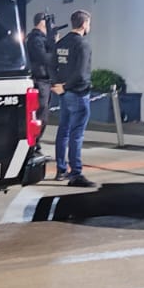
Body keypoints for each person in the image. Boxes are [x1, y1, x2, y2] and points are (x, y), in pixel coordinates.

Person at [51, 10, 95, 188]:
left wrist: (57, 85)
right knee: (76, 134)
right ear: (84, 24)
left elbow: (51, 66)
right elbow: (81, 73)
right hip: (77, 93)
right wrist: (66, 86)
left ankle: (61, 169)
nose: (89, 26)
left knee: (63, 131)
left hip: (64, 93)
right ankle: (75, 172)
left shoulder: (61, 43)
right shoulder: (83, 44)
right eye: (89, 23)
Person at [25, 12, 57, 153]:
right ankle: (33, 144)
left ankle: (35, 143)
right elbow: (45, 58)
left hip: (45, 81)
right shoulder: (35, 39)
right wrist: (53, 45)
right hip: (40, 80)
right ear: (42, 23)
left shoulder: (40, 39)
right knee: (41, 114)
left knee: (43, 114)